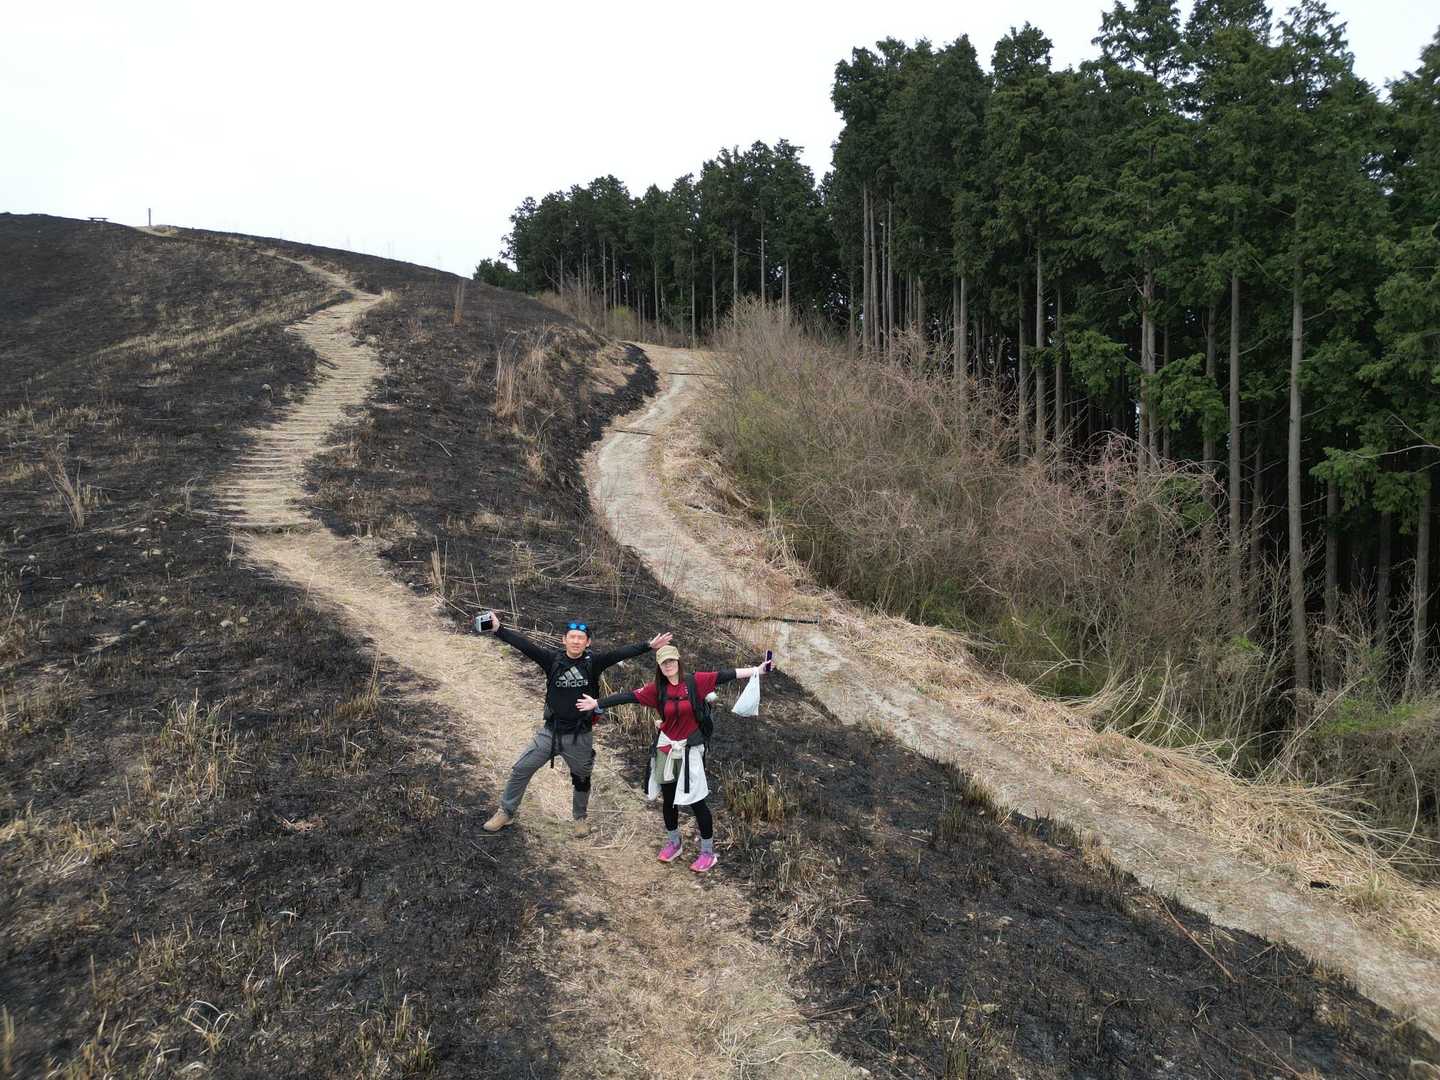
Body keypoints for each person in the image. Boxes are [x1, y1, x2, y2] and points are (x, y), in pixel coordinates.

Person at [577, 644, 773, 872]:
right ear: (659, 666)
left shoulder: (696, 681)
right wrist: (597, 703)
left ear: (678, 661)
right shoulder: (656, 690)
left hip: (690, 750)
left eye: (671, 661)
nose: (668, 665)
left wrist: (757, 670)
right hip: (666, 748)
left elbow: (726, 675)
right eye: (664, 662)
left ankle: (708, 853)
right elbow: (629, 696)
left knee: (697, 801)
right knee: (668, 798)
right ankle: (674, 843)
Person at [476, 610, 671, 838]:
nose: (576, 641)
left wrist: (648, 646)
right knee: (521, 768)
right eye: (572, 637)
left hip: (580, 735)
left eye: (581, 638)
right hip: (550, 733)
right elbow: (525, 646)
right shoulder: (552, 660)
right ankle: (506, 812)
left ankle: (580, 818)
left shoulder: (593, 663)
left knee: (581, 778)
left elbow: (619, 653)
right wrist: (498, 629)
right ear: (564, 639)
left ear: (588, 643)